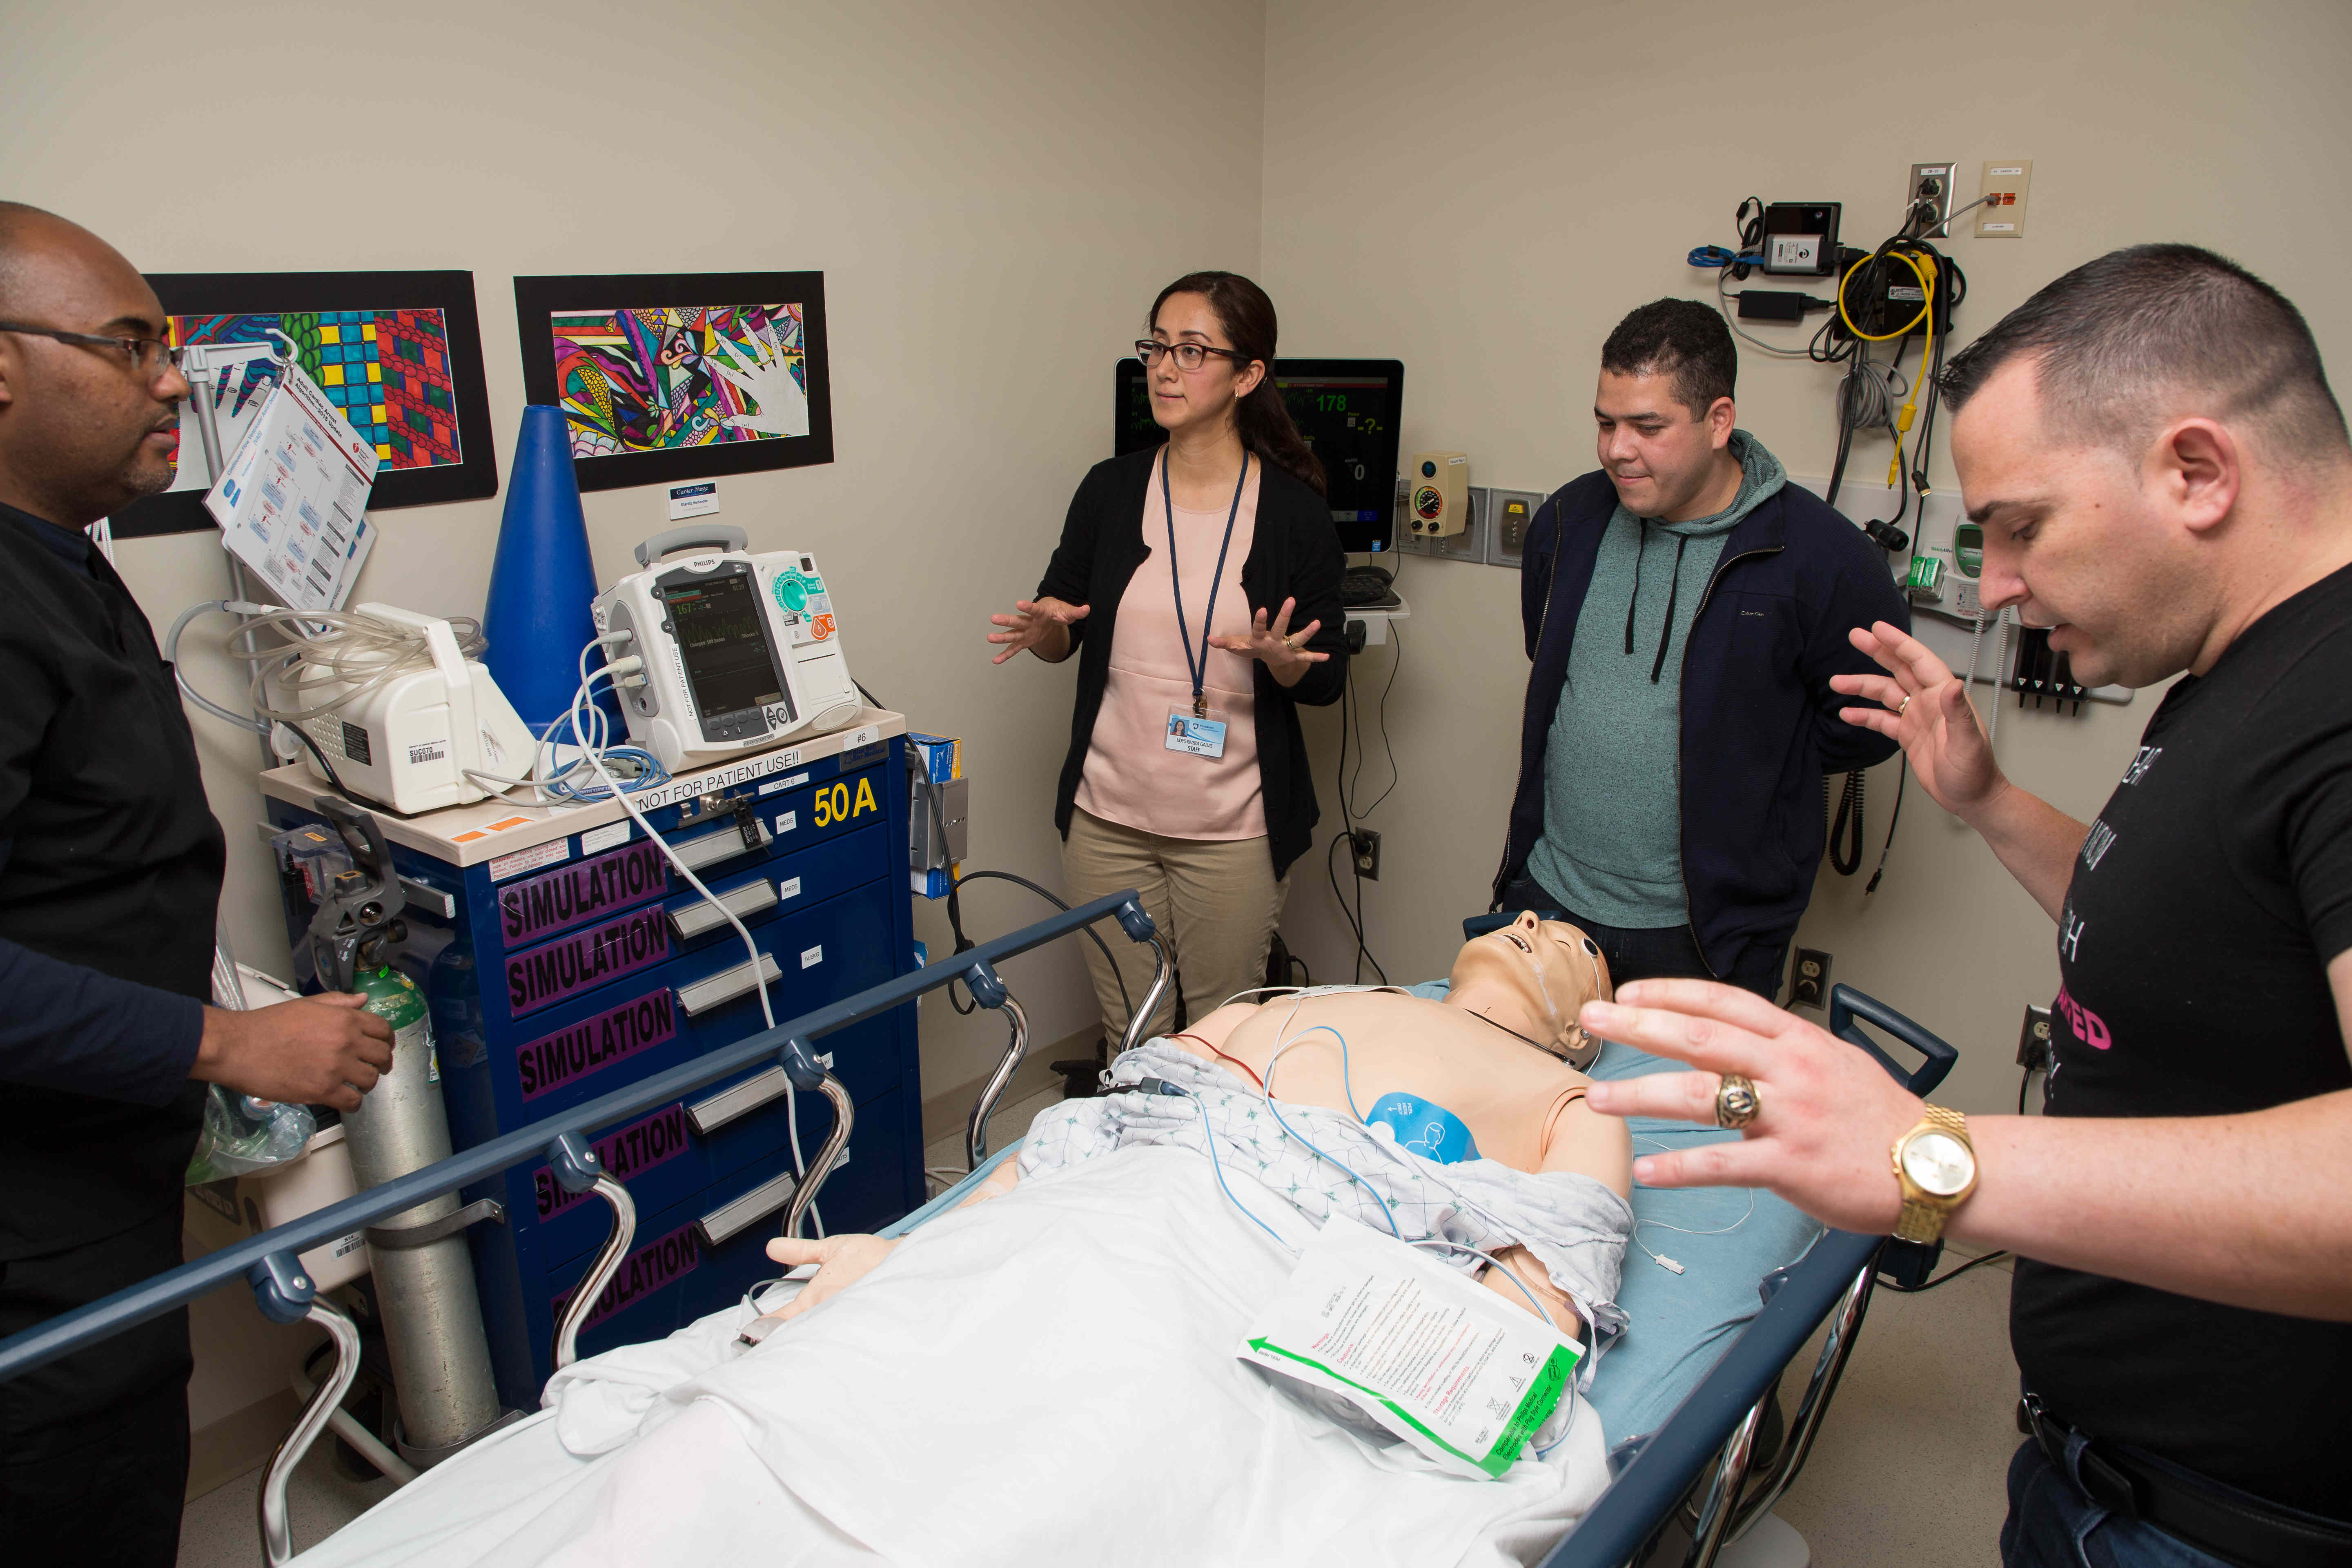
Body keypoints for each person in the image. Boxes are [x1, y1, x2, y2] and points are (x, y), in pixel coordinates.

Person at [1575, 245, 2352, 1567]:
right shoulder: (2244, 674)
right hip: (2109, 1463)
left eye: (2021, 525)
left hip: (2233, 1526)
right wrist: (1991, 801)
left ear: (2198, 472)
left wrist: (1934, 1157)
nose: (1991, 584)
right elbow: (2192, 948)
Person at [0, 203, 397, 1565]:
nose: (170, 380)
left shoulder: (62, 562)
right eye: (125, 346)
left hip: (99, 1173)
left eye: (167, 345)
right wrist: (233, 1041)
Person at [1495, 298, 1909, 997]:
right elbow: (1552, 655)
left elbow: (1871, 723)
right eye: (1606, 422)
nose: (1617, 449)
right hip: (1551, 902)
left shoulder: (1820, 557)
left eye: (1647, 427)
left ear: (1719, 421)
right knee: (1527, 1102)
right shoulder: (1568, 521)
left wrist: (1758, 766)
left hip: (1709, 936)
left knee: (1683, 1110)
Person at [988, 271, 1347, 1045]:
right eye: (1157, 346)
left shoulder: (1295, 513)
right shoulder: (1110, 491)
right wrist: (1044, 629)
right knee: (1134, 1036)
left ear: (1248, 375)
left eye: (1192, 350)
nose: (1164, 367)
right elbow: (1066, 629)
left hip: (1232, 832)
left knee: (1220, 1045)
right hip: (1107, 821)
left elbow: (1323, 682)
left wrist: (1283, 660)